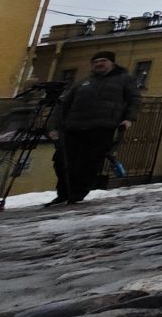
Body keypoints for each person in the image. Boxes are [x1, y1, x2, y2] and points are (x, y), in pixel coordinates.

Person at [46, 51, 139, 206]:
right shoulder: (83, 82)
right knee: (62, 160)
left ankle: (77, 193)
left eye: (103, 60)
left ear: (112, 63)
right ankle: (63, 192)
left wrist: (129, 119)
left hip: (102, 127)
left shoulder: (124, 80)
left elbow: (134, 100)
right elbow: (64, 105)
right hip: (74, 127)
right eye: (95, 61)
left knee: (90, 161)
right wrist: (55, 126)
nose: (99, 64)